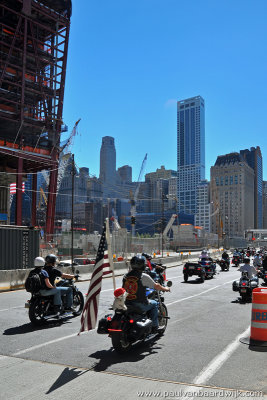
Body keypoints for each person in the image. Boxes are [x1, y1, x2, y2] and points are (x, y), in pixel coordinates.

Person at [123, 255, 170, 333]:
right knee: (154, 303)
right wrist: (166, 288)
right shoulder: (143, 276)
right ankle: (155, 326)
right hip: (139, 304)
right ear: (142, 265)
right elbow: (156, 286)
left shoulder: (126, 276)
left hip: (127, 303)